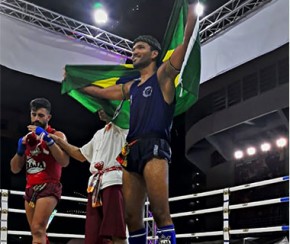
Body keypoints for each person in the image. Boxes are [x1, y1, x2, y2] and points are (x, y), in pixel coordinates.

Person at [78, 2, 198, 243]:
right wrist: (75, 82)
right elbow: (101, 93)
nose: (134, 51)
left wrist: (192, 13)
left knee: (160, 211)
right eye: (133, 48)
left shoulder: (163, 77)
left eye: (140, 47)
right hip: (130, 149)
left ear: (154, 53)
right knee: (132, 217)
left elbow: (184, 45)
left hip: (155, 146)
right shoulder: (131, 87)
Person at [50, 109, 128, 244]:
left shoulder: (124, 127)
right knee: (94, 235)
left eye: (104, 106)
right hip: (94, 186)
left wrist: (112, 114)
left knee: (116, 232)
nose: (100, 110)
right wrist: (58, 141)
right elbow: (81, 155)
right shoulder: (99, 134)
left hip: (113, 182)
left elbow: (123, 118)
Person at [10, 98, 70, 244]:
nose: (36, 118)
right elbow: (15, 169)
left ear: (48, 117)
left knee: (37, 229)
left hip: (49, 185)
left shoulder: (58, 135)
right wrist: (20, 151)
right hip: (30, 188)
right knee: (37, 233)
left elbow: (64, 161)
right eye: (34, 114)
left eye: (41, 115)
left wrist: (49, 140)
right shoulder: (28, 139)